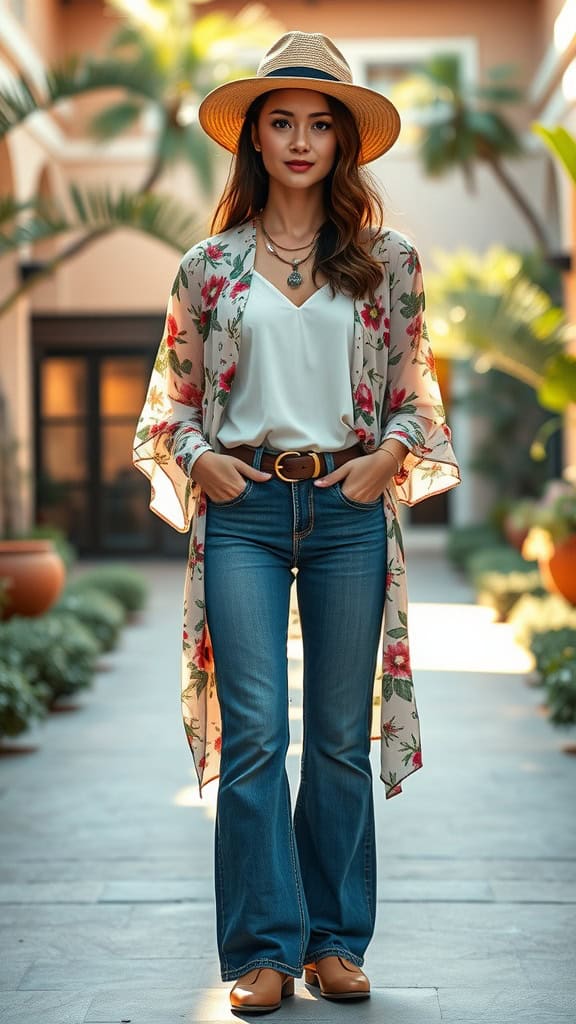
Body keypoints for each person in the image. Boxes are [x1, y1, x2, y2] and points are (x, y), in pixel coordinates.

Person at [133, 30, 460, 1015]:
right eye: (283, 122)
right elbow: (172, 407)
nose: (302, 139)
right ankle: (265, 950)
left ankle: (335, 941)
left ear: (344, 144)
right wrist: (203, 461)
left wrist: (386, 460)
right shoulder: (208, 267)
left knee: (336, 741)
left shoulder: (390, 263)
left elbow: (417, 396)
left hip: (350, 508)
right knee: (256, 738)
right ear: (257, 141)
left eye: (321, 124)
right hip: (245, 512)